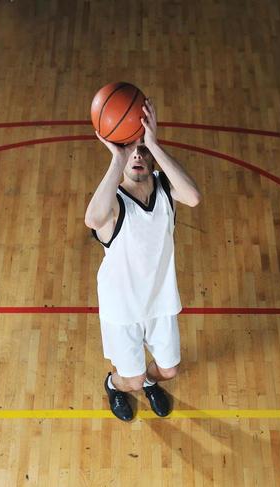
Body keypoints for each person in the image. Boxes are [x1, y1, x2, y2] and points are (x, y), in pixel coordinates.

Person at [85, 98, 201, 421]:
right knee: (130, 379)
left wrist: (153, 144)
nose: (137, 155)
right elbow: (93, 219)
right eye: (130, 151)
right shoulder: (115, 205)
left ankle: (150, 383)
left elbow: (193, 196)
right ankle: (114, 385)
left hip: (159, 302)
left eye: (142, 151)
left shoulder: (165, 189)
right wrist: (117, 157)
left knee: (169, 368)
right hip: (122, 310)